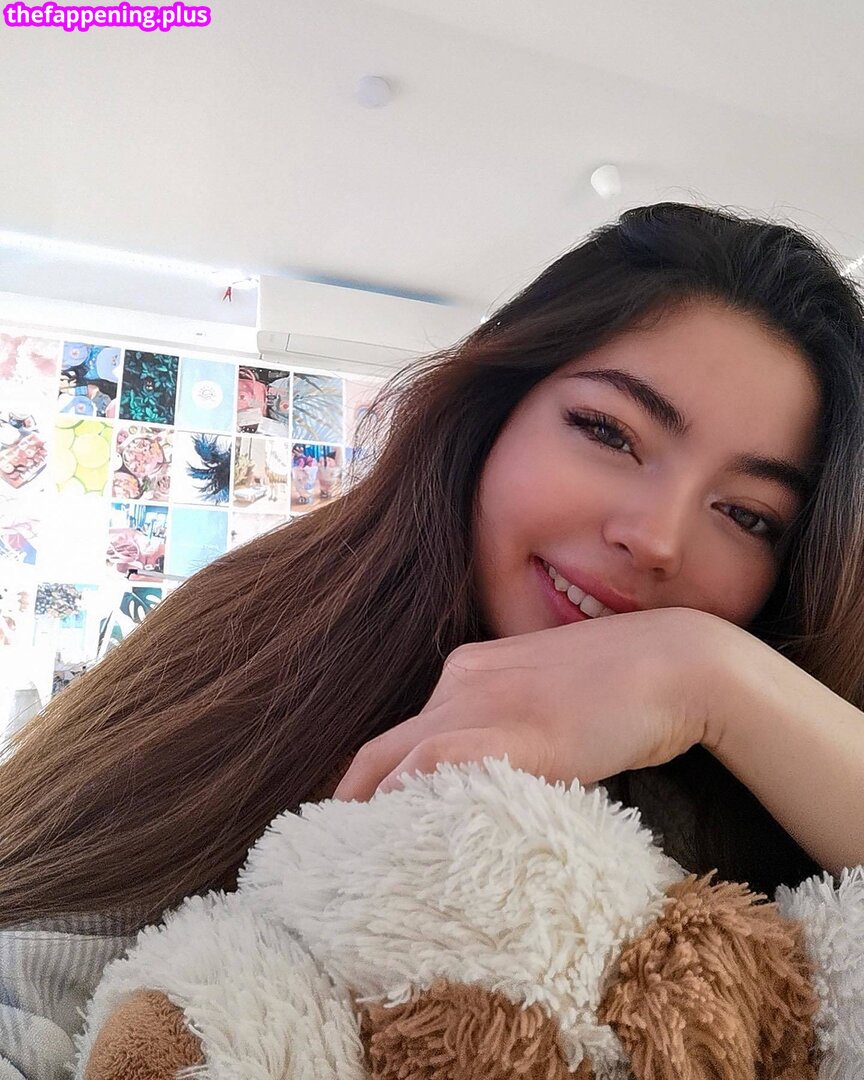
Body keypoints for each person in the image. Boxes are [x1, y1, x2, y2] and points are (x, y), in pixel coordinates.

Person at [2, 203, 864, 1077]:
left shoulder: (755, 785)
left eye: (748, 515)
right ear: (494, 411)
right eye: (609, 432)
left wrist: (710, 677)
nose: (658, 540)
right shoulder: (263, 638)